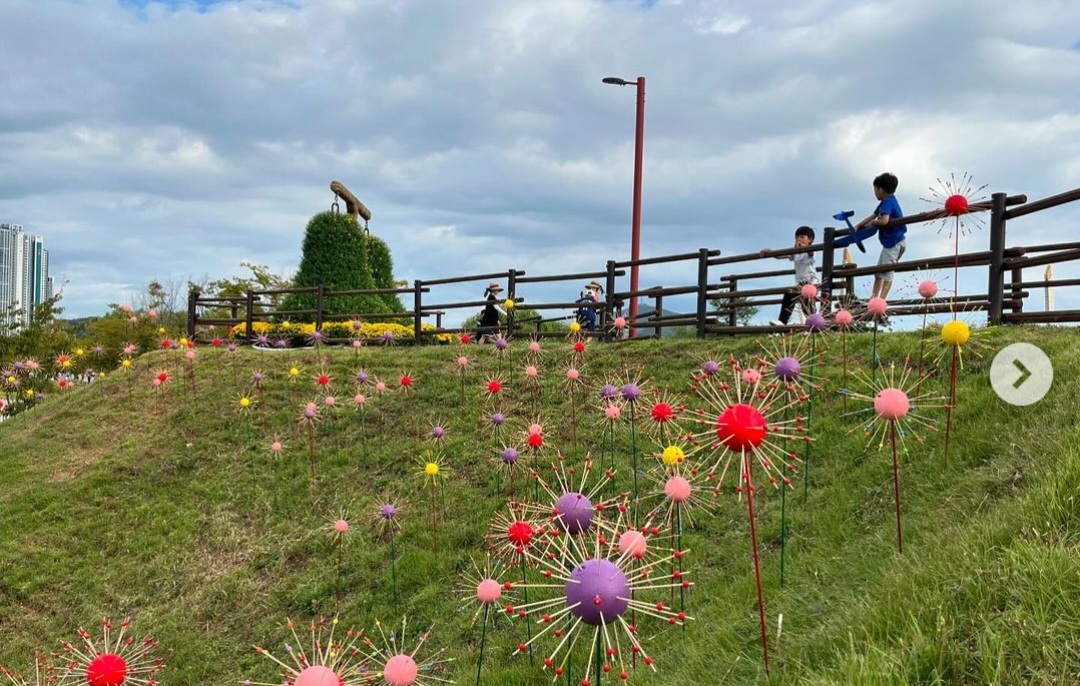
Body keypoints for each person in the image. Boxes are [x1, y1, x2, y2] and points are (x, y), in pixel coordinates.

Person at [836, 172, 905, 302]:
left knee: (887, 272)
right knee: (879, 273)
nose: (875, 193)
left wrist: (872, 223)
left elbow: (883, 221)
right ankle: (874, 299)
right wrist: (857, 226)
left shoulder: (887, 202)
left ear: (880, 189)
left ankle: (881, 301)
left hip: (895, 242)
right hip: (891, 243)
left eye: (875, 189)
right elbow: (872, 216)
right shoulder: (886, 201)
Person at [760, 226, 817, 327]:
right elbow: (782, 255)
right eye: (797, 237)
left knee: (807, 307)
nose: (798, 239)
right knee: (789, 296)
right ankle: (783, 321)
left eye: (802, 237)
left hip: (810, 283)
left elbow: (810, 252)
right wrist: (770, 253)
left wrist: (802, 247)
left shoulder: (811, 251)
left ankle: (814, 324)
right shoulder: (796, 253)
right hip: (800, 284)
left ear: (810, 240)